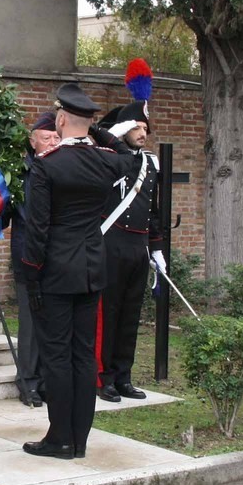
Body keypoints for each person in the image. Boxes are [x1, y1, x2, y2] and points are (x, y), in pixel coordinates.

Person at [20, 83, 138, 460]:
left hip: (55, 272)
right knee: (84, 355)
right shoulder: (106, 160)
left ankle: (61, 438)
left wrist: (30, 273)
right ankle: (80, 438)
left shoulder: (46, 166)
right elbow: (129, 155)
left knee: (57, 356)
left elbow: (38, 230)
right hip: (91, 269)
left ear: (60, 119)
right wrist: (97, 130)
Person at [96, 61, 167, 402]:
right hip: (111, 243)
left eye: (145, 127)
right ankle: (105, 376)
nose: (143, 132)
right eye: (137, 127)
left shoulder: (151, 164)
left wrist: (157, 250)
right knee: (108, 312)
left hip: (137, 246)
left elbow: (153, 211)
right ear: (123, 128)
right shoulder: (108, 158)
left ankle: (123, 375)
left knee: (130, 314)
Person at [9, 112, 61, 407]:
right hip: (29, 256)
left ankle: (45, 380)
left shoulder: (62, 169)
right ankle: (27, 382)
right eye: (46, 137)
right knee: (30, 322)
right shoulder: (21, 173)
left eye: (56, 137)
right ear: (32, 142)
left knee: (52, 321)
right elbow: (16, 214)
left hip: (57, 257)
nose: (52, 142)